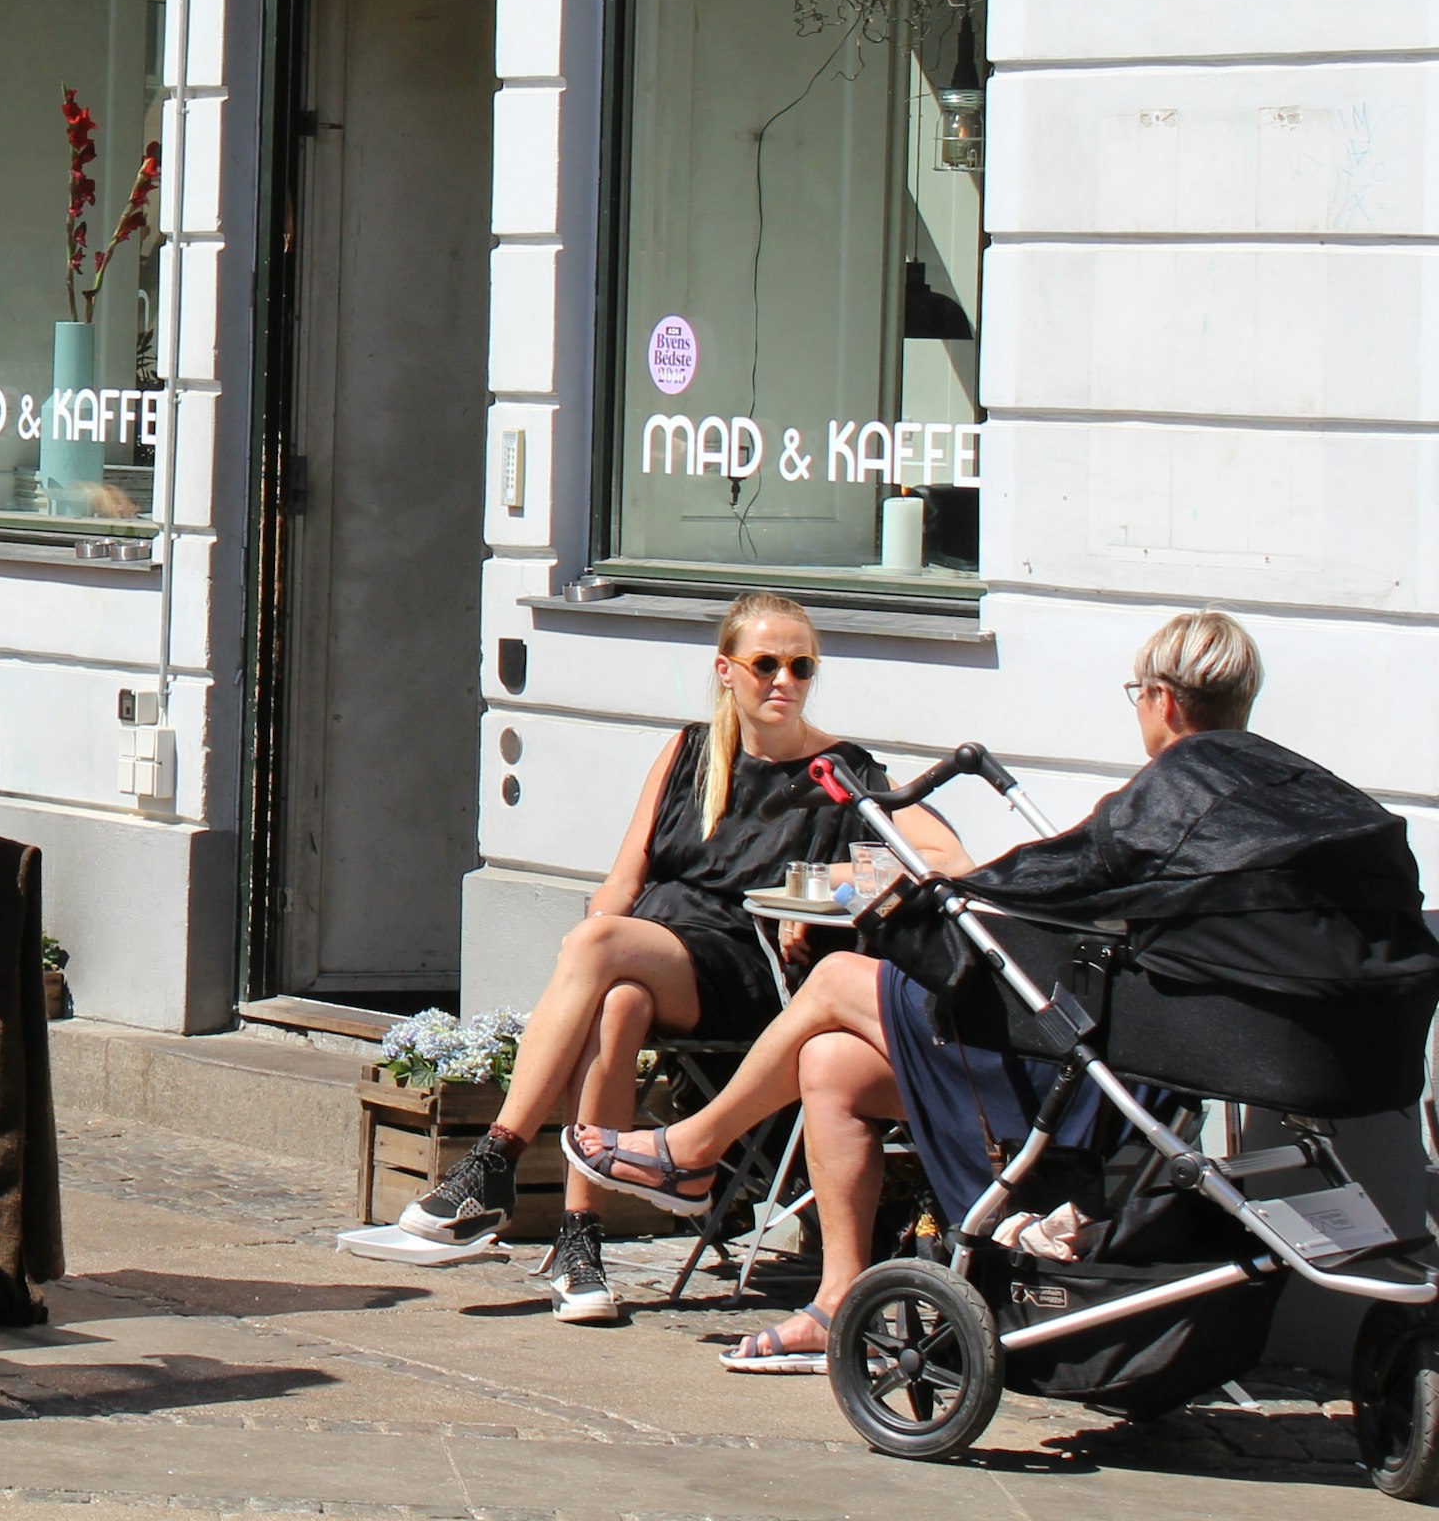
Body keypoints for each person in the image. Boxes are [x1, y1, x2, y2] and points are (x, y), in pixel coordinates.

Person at [569, 608, 1439, 1376]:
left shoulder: (1169, 798)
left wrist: (921, 906)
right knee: (832, 1063)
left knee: (835, 979)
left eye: (1137, 691)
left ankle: (690, 1150)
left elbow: (1039, 885)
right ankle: (837, 1298)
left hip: (1102, 1065)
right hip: (1217, 1054)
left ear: (1164, 702)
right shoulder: (1294, 795)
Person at [394, 590, 954, 1329]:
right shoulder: (690, 752)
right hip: (655, 953)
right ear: (726, 670)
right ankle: (579, 1245)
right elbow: (624, 882)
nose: (783, 679)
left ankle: (495, 1158)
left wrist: (834, 880)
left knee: (599, 947)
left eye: (800, 665)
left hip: (744, 971)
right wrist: (588, 975)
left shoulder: (841, 771)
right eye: (765, 664)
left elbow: (943, 858)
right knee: (615, 995)